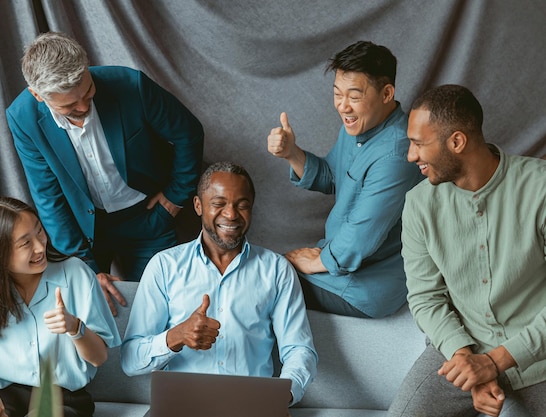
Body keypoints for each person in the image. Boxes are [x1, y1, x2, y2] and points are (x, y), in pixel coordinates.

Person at [6, 32, 204, 314]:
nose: (84, 107)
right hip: (86, 230)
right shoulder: (22, 117)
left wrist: (176, 194)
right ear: (38, 95)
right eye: (69, 106)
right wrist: (84, 268)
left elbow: (188, 133)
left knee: (157, 311)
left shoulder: (131, 85)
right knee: (94, 312)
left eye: (88, 93)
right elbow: (47, 197)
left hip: (149, 216)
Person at [388, 85, 546, 417]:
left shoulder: (540, 187)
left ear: (457, 142)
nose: (411, 156)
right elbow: (424, 297)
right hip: (460, 346)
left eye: (419, 144)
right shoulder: (418, 205)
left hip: (538, 354)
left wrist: (493, 362)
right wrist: (465, 360)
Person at [120, 162, 318, 405]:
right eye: (219, 204)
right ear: (198, 206)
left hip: (251, 408)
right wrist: (176, 336)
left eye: (242, 205)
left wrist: (281, 397)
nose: (231, 214)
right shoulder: (164, 266)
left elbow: (299, 349)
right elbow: (130, 360)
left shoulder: (276, 270)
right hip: (183, 407)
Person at [0, 196, 121, 417]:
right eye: (25, 243)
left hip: (63, 399)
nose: (39, 246)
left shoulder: (76, 273)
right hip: (3, 398)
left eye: (39, 232)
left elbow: (99, 357)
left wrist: (75, 327)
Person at [266, 40, 422, 318]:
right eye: (337, 94)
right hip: (337, 262)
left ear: (387, 93)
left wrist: (314, 260)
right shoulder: (358, 128)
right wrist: (292, 153)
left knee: (262, 283)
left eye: (354, 96)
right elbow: (331, 176)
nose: (343, 106)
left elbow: (361, 239)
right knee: (255, 272)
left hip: (366, 285)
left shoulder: (397, 153)